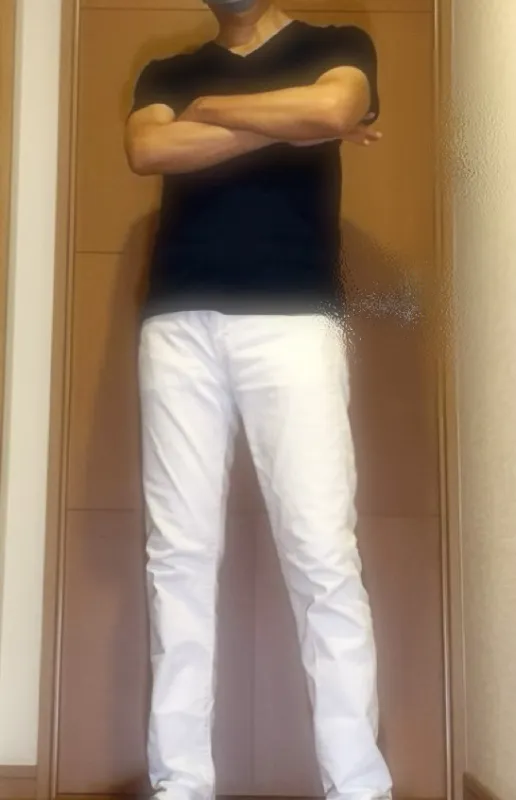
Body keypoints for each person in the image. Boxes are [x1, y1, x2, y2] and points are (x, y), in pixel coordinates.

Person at [124, 0, 392, 798]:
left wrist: (210, 115)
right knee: (177, 556)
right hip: (177, 325)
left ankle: (359, 786)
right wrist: (289, 124)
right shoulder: (168, 72)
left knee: (322, 554)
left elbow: (336, 107)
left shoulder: (338, 44)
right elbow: (147, 148)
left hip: (295, 322)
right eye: (206, 102)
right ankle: (180, 784)